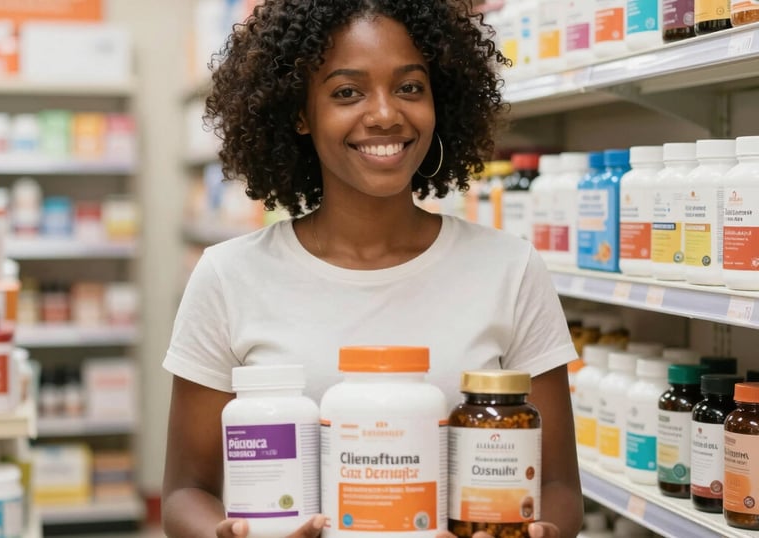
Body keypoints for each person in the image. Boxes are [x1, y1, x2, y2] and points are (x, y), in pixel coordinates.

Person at [161, 1, 583, 537]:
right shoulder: (229, 276)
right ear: (299, 112)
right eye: (347, 92)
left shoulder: (510, 268)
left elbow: (559, 488)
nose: (385, 113)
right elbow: (185, 493)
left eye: (409, 87)